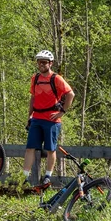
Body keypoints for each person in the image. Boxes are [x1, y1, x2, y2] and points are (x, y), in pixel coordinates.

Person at [22, 50, 75, 185]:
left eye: (44, 62)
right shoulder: (35, 78)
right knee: (30, 148)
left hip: (51, 120)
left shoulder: (56, 78)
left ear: (50, 63)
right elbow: (33, 98)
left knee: (51, 149)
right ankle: (24, 177)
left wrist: (62, 112)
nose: (41, 64)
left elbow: (70, 94)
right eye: (39, 62)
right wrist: (29, 116)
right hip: (37, 118)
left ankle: (47, 176)